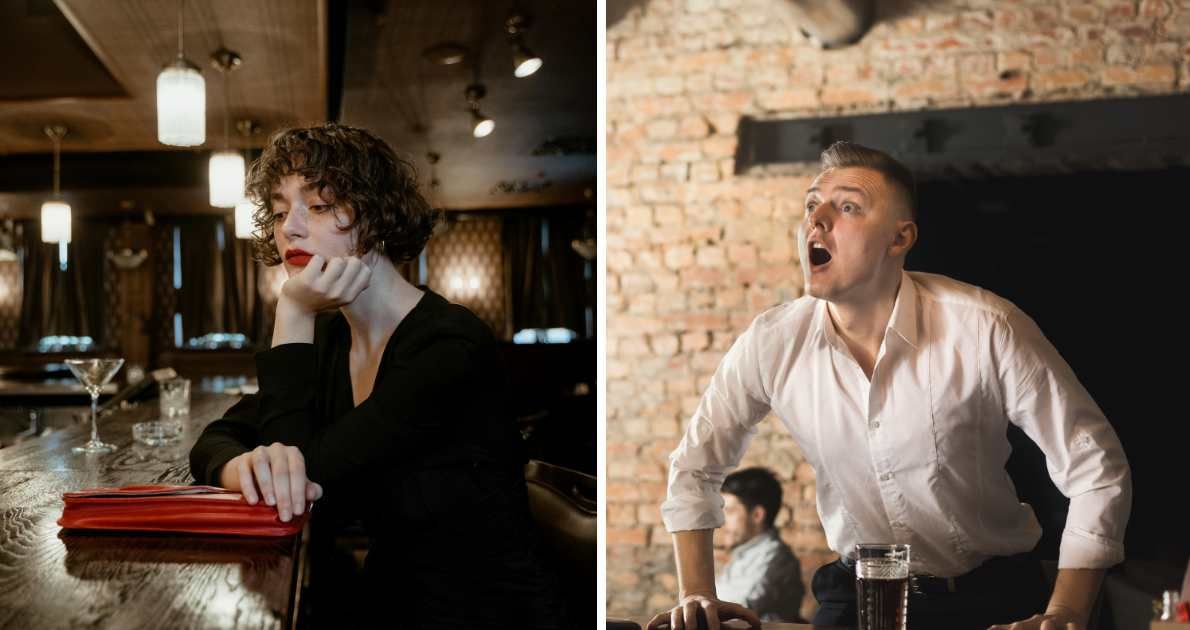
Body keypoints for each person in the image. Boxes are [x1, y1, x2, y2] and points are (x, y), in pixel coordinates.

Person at [648, 141, 1131, 630]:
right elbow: (694, 465)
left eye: (848, 207)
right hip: (856, 595)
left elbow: (1096, 465)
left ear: (899, 238)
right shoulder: (772, 342)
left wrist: (1067, 612)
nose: (816, 221)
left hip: (991, 598)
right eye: (812, 205)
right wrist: (696, 593)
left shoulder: (987, 326)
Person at [188, 123, 565, 629]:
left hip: (489, 612)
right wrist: (240, 469)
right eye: (279, 212)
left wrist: (293, 313)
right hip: (388, 598)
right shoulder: (331, 342)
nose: (290, 229)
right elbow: (216, 438)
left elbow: (300, 488)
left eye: (319, 205)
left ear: (377, 213)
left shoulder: (450, 345)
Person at [715, 468, 805, 623]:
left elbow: (736, 613)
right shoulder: (742, 554)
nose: (722, 521)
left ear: (757, 515)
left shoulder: (777, 558)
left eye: (729, 511)